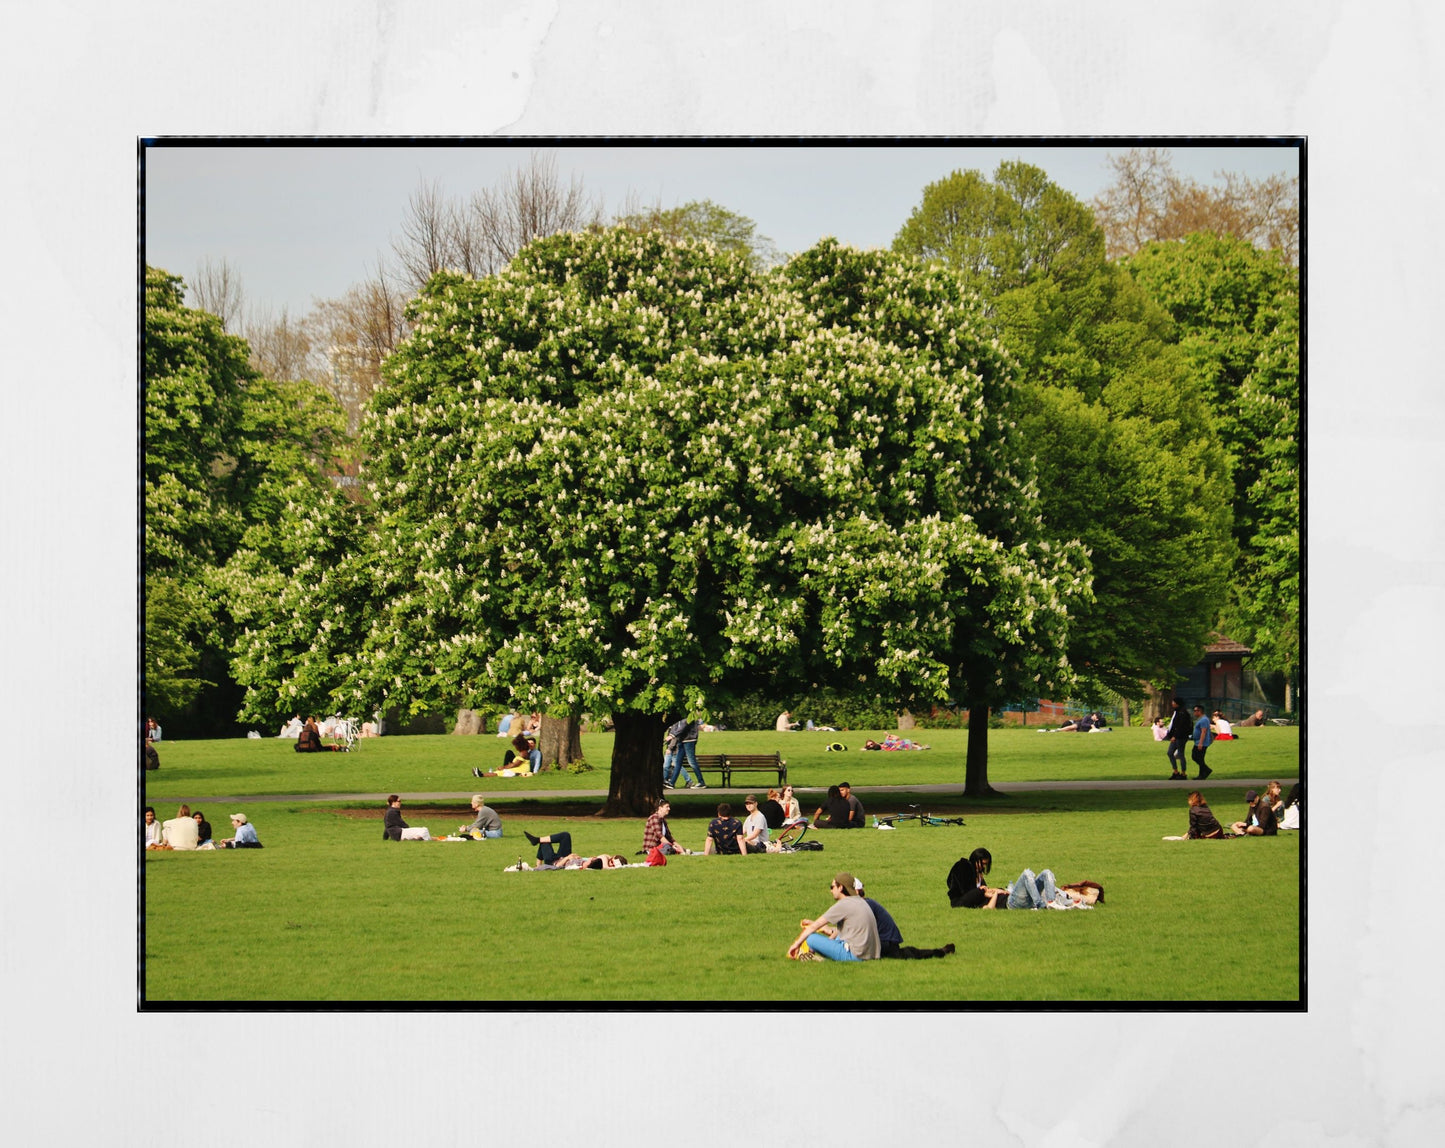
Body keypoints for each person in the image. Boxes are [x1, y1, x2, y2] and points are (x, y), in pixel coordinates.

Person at [787, 872, 881, 962]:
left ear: (840, 887)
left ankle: (807, 955)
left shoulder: (844, 904)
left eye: (832, 887)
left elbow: (814, 926)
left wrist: (795, 945)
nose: (831, 890)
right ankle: (810, 956)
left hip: (855, 956)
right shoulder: (860, 901)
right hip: (871, 954)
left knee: (810, 938)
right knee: (837, 937)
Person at [854, 877, 955, 959]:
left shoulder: (866, 904)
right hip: (886, 941)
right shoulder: (866, 903)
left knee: (908, 954)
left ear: (857, 891)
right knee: (908, 954)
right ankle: (940, 952)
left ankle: (939, 952)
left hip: (885, 942)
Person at [520, 829, 626, 869]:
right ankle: (537, 840)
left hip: (555, 861)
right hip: (567, 857)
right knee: (566, 835)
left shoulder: (603, 865)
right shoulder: (601, 861)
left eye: (613, 863)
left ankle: (538, 865)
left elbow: (604, 859)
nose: (610, 862)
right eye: (612, 860)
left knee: (545, 843)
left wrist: (567, 858)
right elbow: (605, 855)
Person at [665, 716, 706, 789]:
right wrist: (672, 734)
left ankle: (701, 782)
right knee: (678, 762)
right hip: (682, 740)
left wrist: (672, 735)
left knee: (692, 762)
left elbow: (683, 726)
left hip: (689, 740)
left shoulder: (688, 716)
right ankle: (672, 783)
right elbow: (676, 726)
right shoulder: (680, 716)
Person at [1165, 698, 1192, 779]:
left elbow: (1181, 726)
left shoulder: (1183, 713)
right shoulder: (1177, 712)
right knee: (1170, 753)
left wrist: (1175, 736)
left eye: (1173, 702)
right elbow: (1174, 725)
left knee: (1180, 754)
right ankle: (1175, 771)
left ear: (1177, 703)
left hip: (1181, 737)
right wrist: (1170, 735)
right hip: (1176, 736)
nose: (1172, 703)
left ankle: (1183, 773)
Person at [1191, 704, 1214, 780]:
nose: (1194, 712)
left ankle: (1206, 770)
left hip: (1201, 742)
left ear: (1199, 711)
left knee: (1196, 757)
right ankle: (1202, 774)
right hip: (1197, 741)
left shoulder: (1204, 720)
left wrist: (1201, 743)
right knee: (1199, 758)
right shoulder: (1201, 719)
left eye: (1195, 711)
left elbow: (1203, 731)